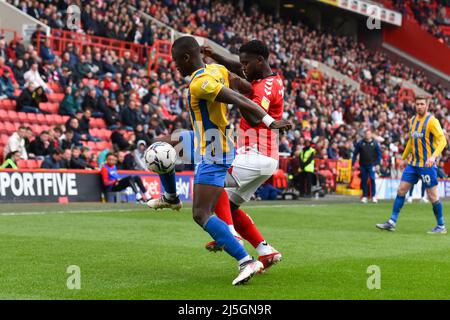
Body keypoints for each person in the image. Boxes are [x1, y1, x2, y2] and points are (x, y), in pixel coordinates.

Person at [148, 36, 290, 285]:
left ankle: (241, 252)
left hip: (214, 147)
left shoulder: (200, 83)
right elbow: (241, 83)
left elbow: (242, 98)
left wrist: (269, 121)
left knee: (202, 212)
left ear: (186, 58)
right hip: (210, 139)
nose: (175, 67)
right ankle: (171, 197)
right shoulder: (216, 70)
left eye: (175, 62)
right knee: (164, 145)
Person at [376, 96, 448, 234]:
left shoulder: (432, 121)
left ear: (427, 106)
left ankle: (441, 225)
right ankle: (392, 221)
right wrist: (403, 157)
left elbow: (442, 140)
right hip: (413, 164)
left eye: (422, 104)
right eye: (417, 104)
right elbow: (411, 141)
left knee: (432, 196)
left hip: (426, 165)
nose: (419, 106)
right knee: (401, 190)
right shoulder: (412, 121)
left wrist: (433, 157)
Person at [352, 129, 382, 203]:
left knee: (372, 179)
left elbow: (379, 154)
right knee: (364, 180)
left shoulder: (375, 144)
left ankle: (374, 196)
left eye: (369, 134)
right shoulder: (360, 143)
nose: (367, 135)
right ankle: (365, 196)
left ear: (371, 134)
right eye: (366, 134)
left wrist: (378, 164)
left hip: (372, 165)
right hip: (362, 165)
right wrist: (352, 163)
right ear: (364, 135)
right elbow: (355, 153)